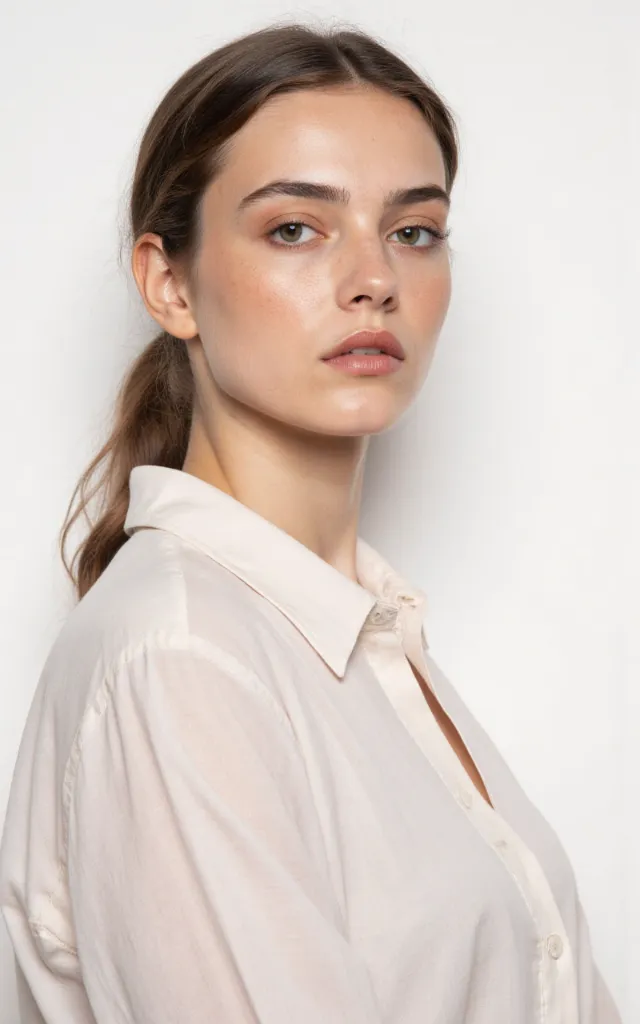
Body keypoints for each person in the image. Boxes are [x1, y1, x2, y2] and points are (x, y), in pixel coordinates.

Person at [0, 19, 622, 1024]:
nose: (374, 278)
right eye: (296, 226)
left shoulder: (362, 638)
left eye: (413, 229)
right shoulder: (185, 656)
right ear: (169, 283)